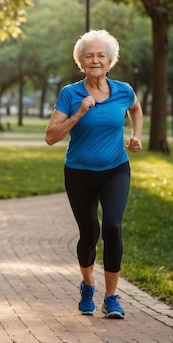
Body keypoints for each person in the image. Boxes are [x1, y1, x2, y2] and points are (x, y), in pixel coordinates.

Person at [45, 29, 143, 319]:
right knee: (90, 234)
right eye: (89, 55)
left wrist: (136, 135)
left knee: (112, 227)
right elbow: (50, 137)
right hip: (79, 174)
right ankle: (88, 285)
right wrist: (77, 115)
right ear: (81, 62)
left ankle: (111, 297)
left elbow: (136, 109)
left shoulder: (124, 90)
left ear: (110, 60)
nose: (95, 60)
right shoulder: (70, 93)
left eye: (101, 55)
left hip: (115, 169)